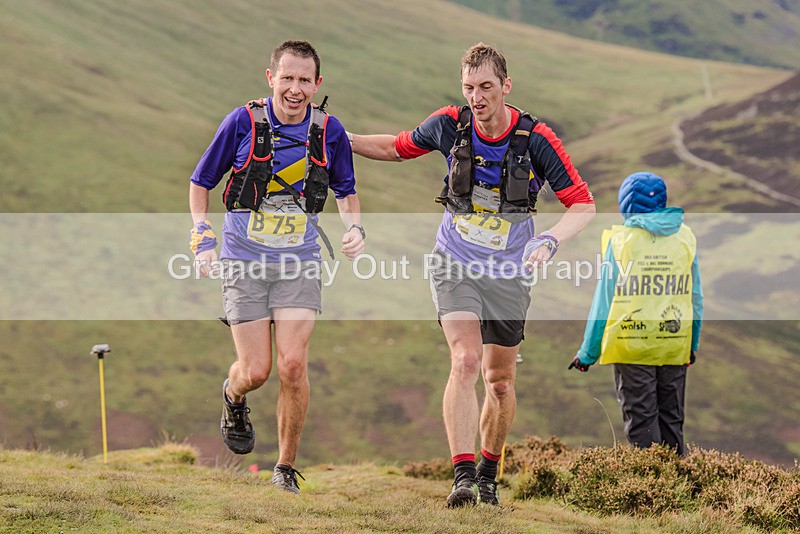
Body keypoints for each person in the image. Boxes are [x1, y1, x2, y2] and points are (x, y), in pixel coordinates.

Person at [350, 42, 595, 507]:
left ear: (505, 86)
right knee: (463, 361)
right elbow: (398, 147)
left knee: (499, 381)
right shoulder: (451, 124)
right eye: (468, 88)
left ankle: (487, 471)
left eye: (485, 87)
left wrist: (550, 239)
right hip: (454, 262)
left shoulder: (536, 139)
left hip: (509, 274)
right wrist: (337, 138)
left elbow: (582, 204)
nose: (477, 97)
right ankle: (462, 476)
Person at [188, 40, 365, 494]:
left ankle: (285, 468)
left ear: (317, 84)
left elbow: (346, 189)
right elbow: (201, 181)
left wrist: (355, 229)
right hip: (243, 259)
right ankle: (233, 395)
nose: (295, 88)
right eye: (287, 78)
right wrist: (202, 237)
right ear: (271, 78)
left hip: (299, 260)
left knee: (292, 365)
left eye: (304, 80)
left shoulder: (329, 130)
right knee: (257, 371)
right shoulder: (243, 121)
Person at [569, 171, 703, 456]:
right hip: (674, 343)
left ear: (626, 205)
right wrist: (691, 346)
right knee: (672, 422)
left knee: (642, 424)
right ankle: (679, 491)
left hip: (631, 345)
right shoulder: (686, 238)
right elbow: (696, 298)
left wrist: (587, 353)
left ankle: (650, 490)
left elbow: (604, 301)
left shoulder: (621, 242)